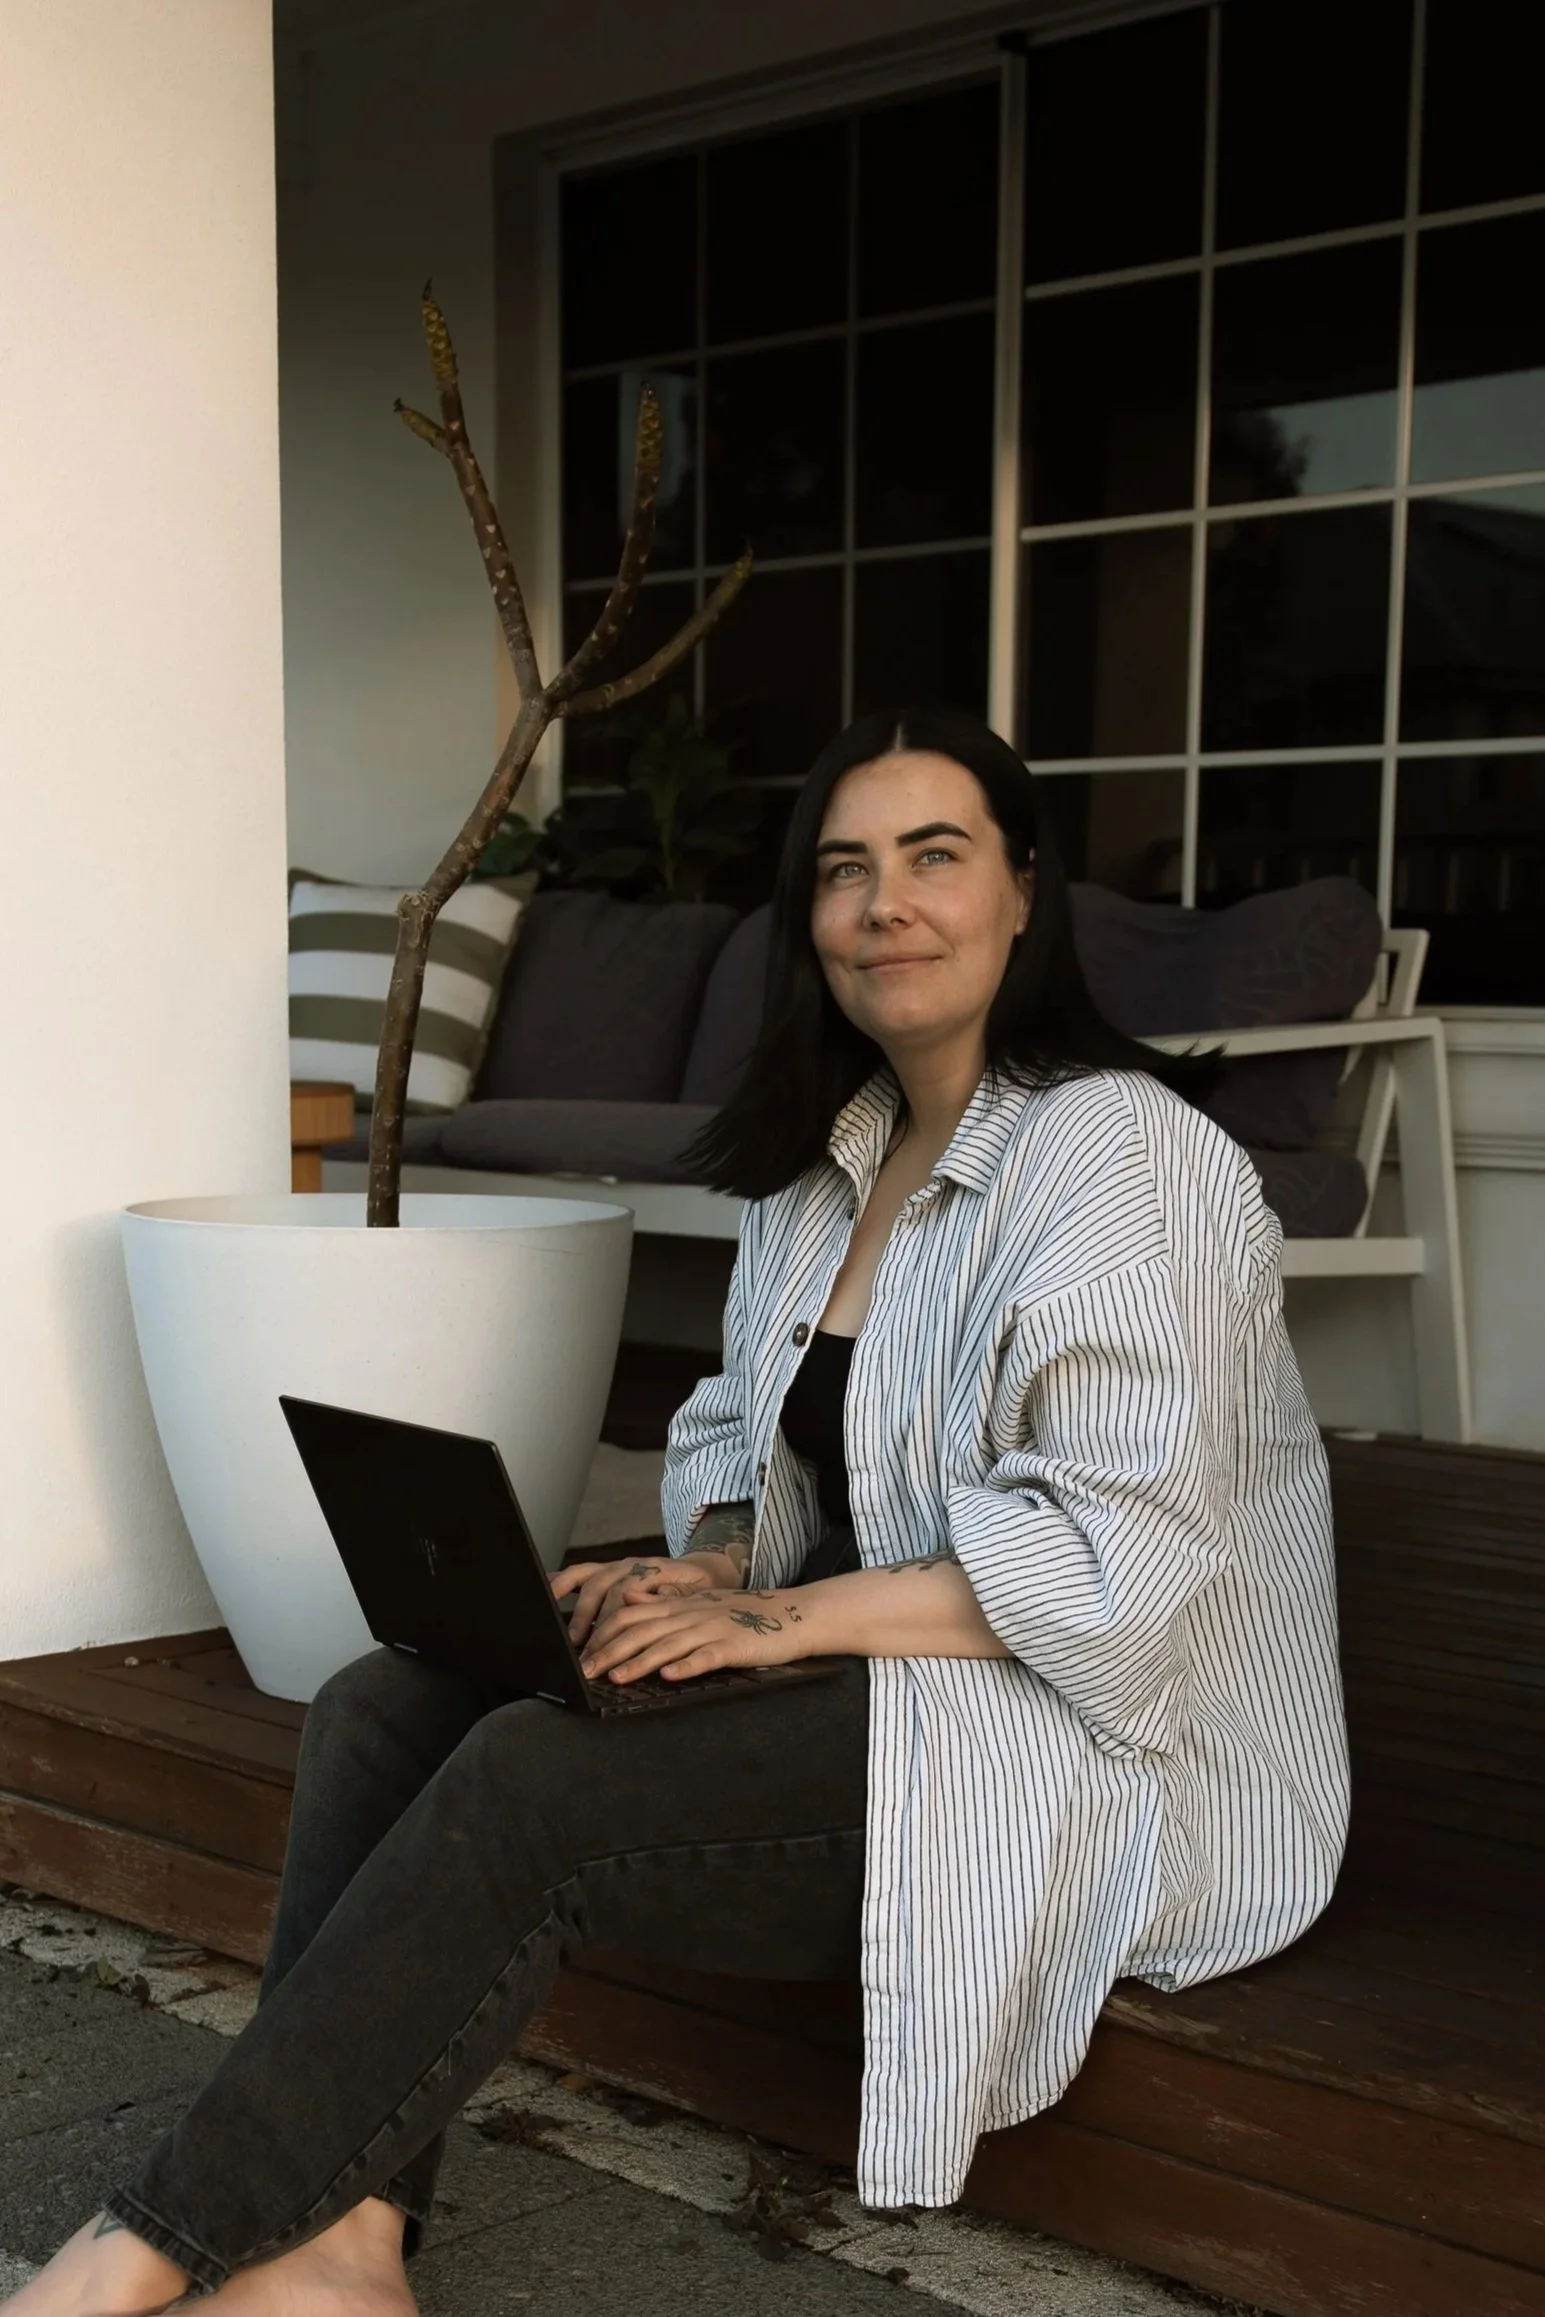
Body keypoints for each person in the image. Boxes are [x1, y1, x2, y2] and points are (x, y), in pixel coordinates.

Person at [8, 704, 1348, 2317]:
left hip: (1072, 1739)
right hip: (865, 1671)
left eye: (936, 858)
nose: (886, 906)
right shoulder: (823, 1164)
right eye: (846, 872)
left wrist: (766, 1619)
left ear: (1022, 894)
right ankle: (345, 2246)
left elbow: (1116, 1567)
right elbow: (742, 1431)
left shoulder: (1124, 1161)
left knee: (530, 1778)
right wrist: (702, 1564)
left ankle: (139, 2254)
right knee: (387, 1702)